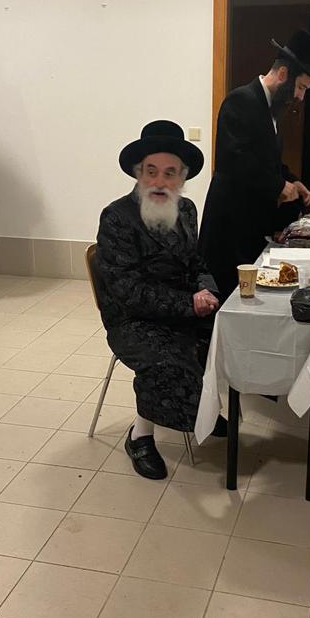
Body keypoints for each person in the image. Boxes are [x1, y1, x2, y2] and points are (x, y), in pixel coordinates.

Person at [95, 121, 221, 480]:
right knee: (166, 358)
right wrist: (188, 304)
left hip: (183, 307)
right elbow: (127, 291)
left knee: (230, 334)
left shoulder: (187, 210)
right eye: (151, 171)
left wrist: (207, 290)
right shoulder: (117, 217)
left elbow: (198, 263)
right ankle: (140, 436)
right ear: (139, 173)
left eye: (170, 173)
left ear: (182, 177)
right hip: (132, 318)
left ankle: (205, 411)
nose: (160, 182)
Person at [199, 30, 310, 298]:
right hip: (229, 229)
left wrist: (292, 181)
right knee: (228, 300)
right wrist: (278, 186)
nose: (300, 97)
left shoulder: (270, 109)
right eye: (301, 87)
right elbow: (235, 160)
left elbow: (267, 161)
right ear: (283, 74)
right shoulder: (241, 100)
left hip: (249, 226)